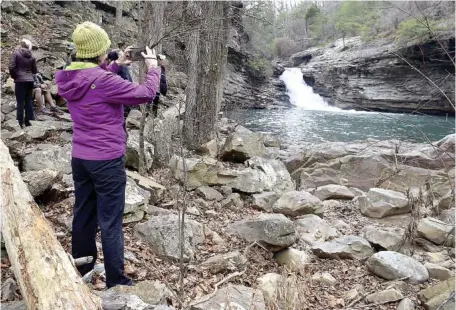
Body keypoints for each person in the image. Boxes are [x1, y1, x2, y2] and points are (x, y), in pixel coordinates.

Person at [55, 21, 160, 288]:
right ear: (100, 51)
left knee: (83, 215)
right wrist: (153, 68)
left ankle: (83, 270)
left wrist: (117, 64)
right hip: (106, 159)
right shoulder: (103, 80)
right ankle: (117, 282)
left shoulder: (70, 76)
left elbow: (92, 83)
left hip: (81, 157)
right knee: (110, 222)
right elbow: (146, 94)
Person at [9, 38, 37, 128]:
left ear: (21, 45)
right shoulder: (32, 56)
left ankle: (20, 122)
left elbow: (11, 67)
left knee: (20, 101)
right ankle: (29, 121)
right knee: (28, 101)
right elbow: (35, 70)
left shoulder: (16, 54)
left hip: (20, 81)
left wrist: (15, 76)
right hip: (30, 80)